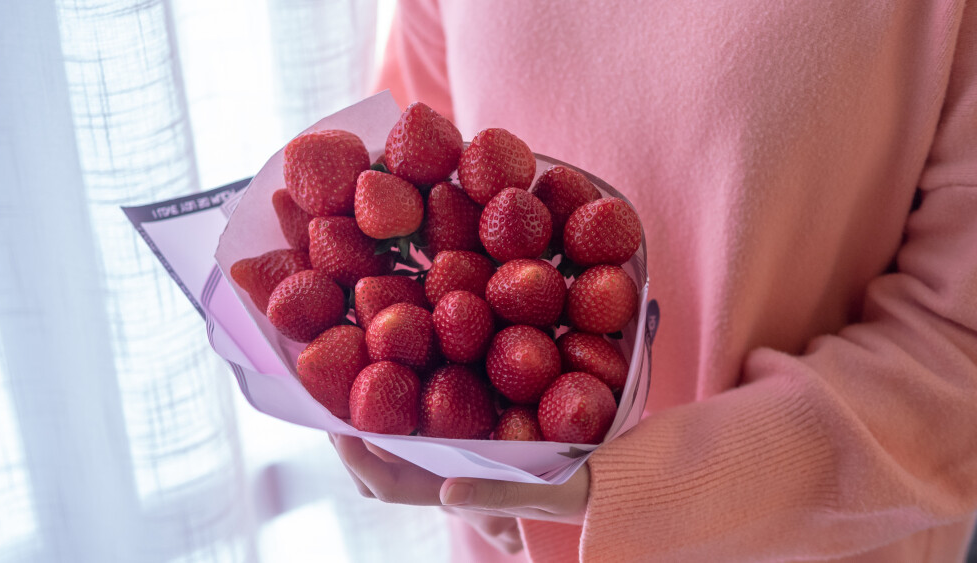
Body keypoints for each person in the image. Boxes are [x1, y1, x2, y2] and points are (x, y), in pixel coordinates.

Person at [332, 1, 977, 560]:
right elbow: (415, 169)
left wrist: (609, 494)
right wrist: (460, 463)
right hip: (508, 528)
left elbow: (958, 360)